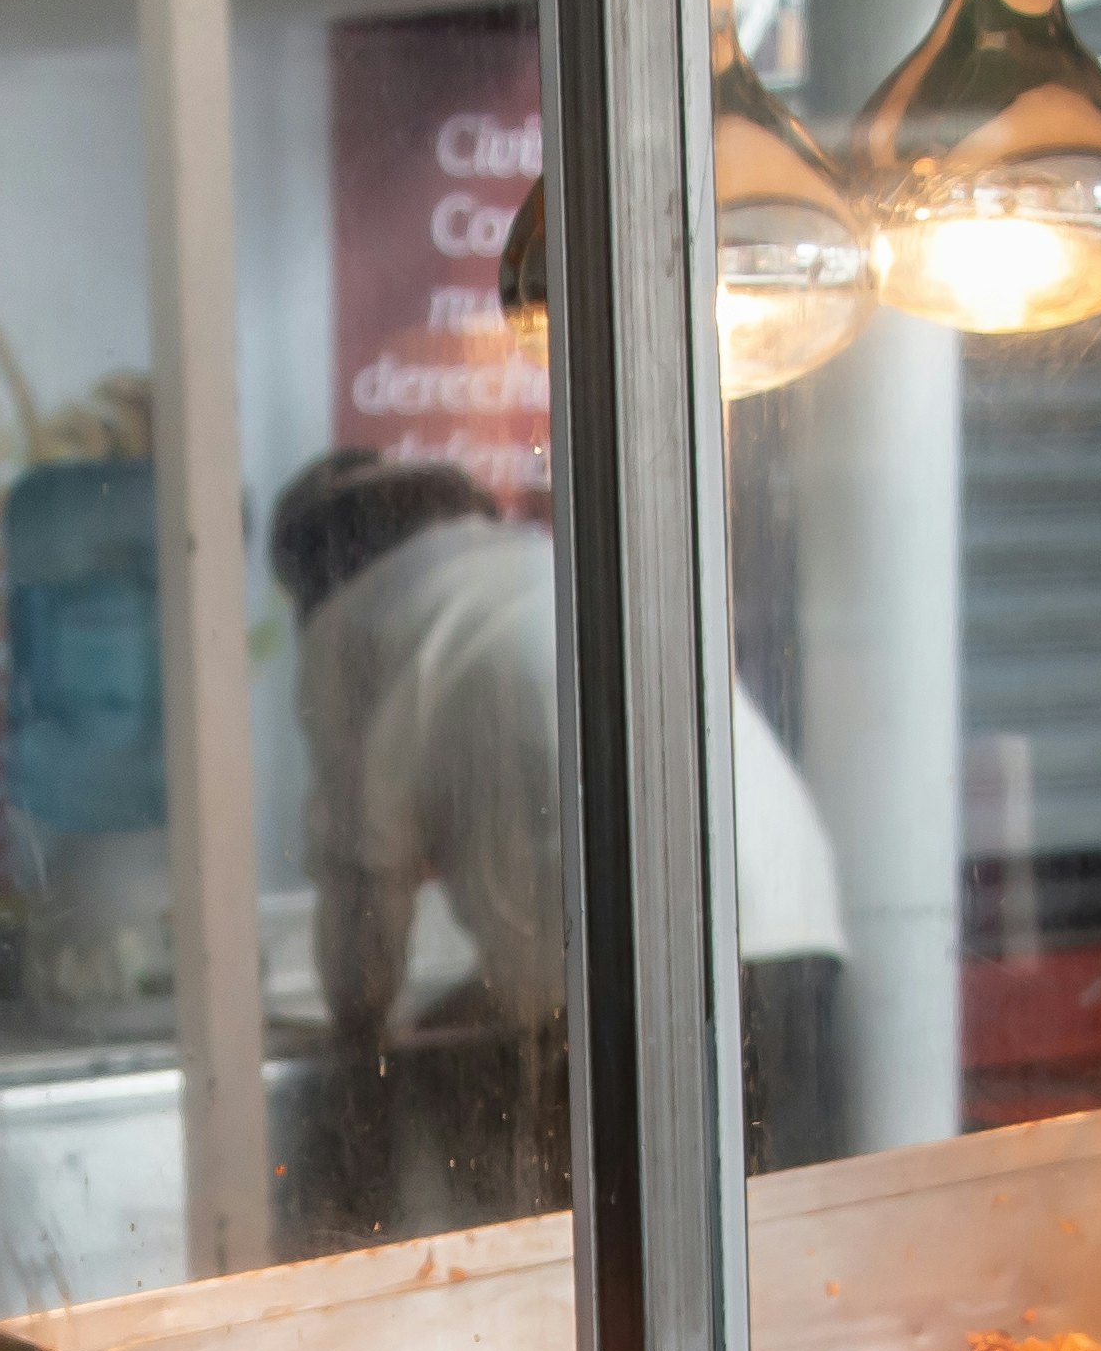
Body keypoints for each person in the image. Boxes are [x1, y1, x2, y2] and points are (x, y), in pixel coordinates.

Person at [265, 450, 848, 1224]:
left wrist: (357, 1043)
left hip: (629, 984)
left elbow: (362, 888)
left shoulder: (349, 626)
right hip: (793, 923)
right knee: (780, 1254)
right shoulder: (546, 567)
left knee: (611, 1270)